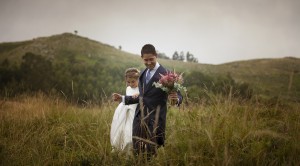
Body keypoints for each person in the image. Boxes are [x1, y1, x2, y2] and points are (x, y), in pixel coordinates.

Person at [112, 44, 183, 157]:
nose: (149, 62)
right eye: (146, 60)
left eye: (151, 59)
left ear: (156, 56)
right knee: (137, 153)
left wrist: (176, 100)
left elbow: (179, 95)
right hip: (139, 120)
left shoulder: (167, 74)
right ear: (142, 58)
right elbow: (142, 97)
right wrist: (123, 98)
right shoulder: (143, 74)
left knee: (150, 154)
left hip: (155, 121)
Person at [110, 68, 140, 152]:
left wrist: (139, 94)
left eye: (133, 82)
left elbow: (141, 97)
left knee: (132, 136)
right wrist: (120, 98)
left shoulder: (141, 89)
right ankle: (123, 152)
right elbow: (128, 99)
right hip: (126, 114)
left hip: (136, 114)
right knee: (125, 133)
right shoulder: (128, 89)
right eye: (128, 82)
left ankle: (132, 153)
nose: (130, 84)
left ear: (138, 80)